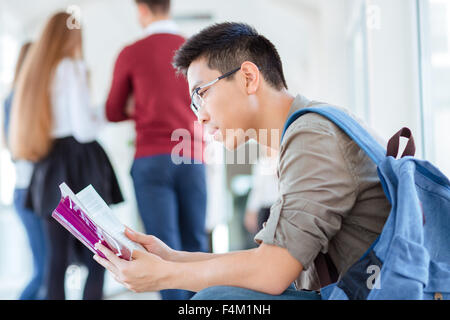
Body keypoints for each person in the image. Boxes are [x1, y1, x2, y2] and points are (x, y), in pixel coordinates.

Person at [93, 22, 391, 300]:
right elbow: (265, 260)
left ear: (248, 78)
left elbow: (271, 271)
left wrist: (165, 276)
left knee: (215, 299)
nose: (200, 116)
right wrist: (170, 257)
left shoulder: (312, 138)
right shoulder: (307, 130)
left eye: (202, 94)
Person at [9, 12, 124, 300]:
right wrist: (103, 115)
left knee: (56, 260)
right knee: (100, 254)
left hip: (49, 166)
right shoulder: (72, 68)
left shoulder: (36, 74)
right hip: (80, 165)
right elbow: (84, 130)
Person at [105, 0, 207, 300]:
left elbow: (112, 110)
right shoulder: (195, 51)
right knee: (194, 245)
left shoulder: (131, 53)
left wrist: (138, 107)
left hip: (150, 157)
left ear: (142, 9)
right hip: (190, 154)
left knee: (161, 252)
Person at [3, 42, 48, 300]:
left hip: (27, 190)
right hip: (31, 192)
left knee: (45, 267)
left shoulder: (15, 97)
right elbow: (24, 150)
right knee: (44, 270)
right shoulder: (22, 98)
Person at [244, 147, 279, 235]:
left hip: (280, 208)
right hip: (264, 210)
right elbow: (256, 190)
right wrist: (251, 211)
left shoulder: (283, 161)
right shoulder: (260, 163)